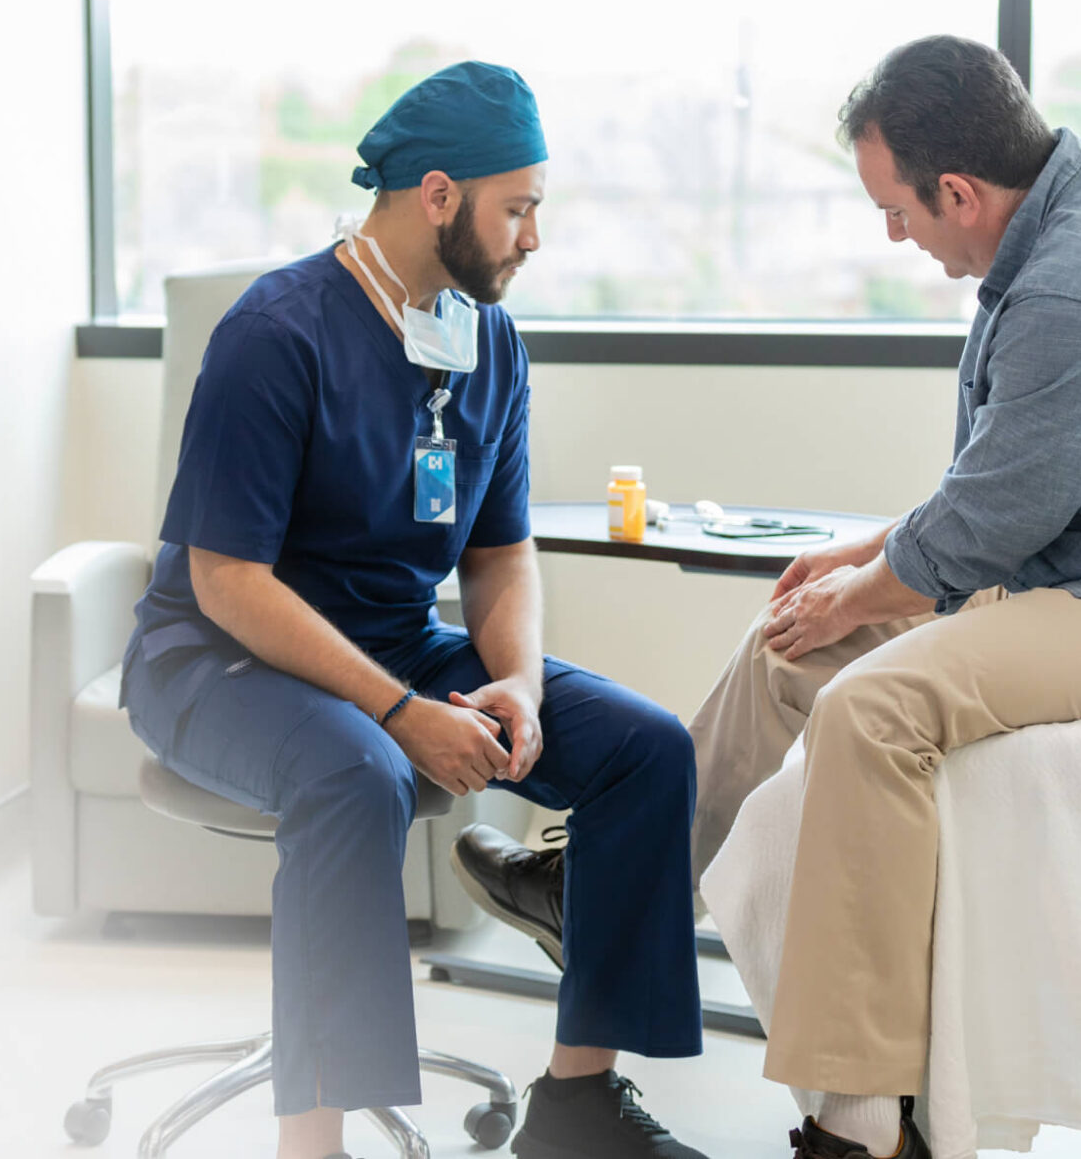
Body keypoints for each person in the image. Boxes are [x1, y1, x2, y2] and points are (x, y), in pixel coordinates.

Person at [686, 35, 1081, 1159]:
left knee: (870, 708)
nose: (896, 235)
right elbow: (1001, 479)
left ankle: (866, 1122)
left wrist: (867, 590)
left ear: (959, 191)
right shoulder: (1062, 218)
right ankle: (615, 899)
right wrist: (860, 564)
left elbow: (987, 524)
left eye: (897, 212)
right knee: (780, 646)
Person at [120, 60, 712, 1159]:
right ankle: (315, 1142)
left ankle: (577, 1108)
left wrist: (522, 682)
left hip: (387, 644)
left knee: (647, 750)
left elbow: (498, 554)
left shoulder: (488, 343)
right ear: (437, 194)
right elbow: (226, 580)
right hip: (214, 659)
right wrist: (400, 712)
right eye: (517, 208)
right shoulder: (276, 334)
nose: (533, 237)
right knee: (358, 770)